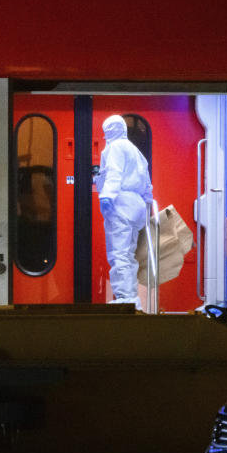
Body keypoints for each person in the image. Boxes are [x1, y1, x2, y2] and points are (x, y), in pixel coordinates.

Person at [96, 115, 153, 310]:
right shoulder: (136, 152)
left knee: (118, 253)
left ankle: (125, 297)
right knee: (128, 254)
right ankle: (131, 297)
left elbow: (113, 172)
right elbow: (147, 185)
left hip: (121, 203)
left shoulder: (114, 148)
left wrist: (107, 196)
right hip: (137, 206)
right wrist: (147, 205)